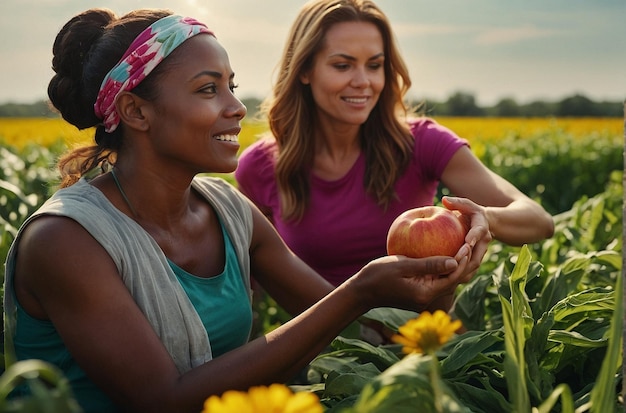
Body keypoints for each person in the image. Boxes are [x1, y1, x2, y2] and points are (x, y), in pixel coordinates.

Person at [2, 8, 487, 413]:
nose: (237, 107)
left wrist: (443, 277)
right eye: (208, 89)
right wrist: (358, 290)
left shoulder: (230, 210)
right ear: (136, 112)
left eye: (232, 86)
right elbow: (162, 401)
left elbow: (363, 334)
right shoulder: (65, 240)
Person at [235, 0, 554, 302]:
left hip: (429, 346)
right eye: (343, 65)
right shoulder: (259, 166)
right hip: (328, 354)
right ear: (304, 71)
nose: (363, 82)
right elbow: (257, 279)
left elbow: (538, 220)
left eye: (374, 65)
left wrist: (486, 219)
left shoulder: (423, 142)